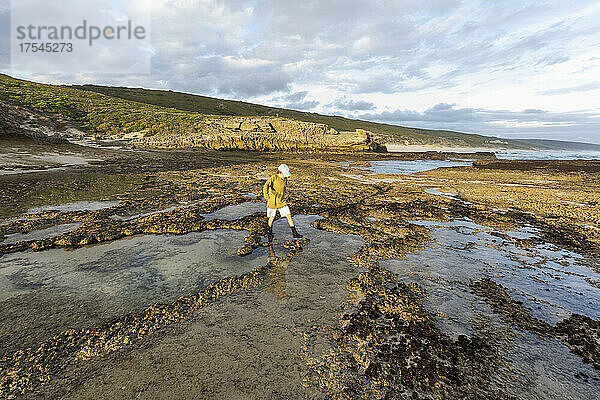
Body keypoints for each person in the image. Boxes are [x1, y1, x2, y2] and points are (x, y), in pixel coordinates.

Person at [263, 164, 302, 240]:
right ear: (280, 172)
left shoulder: (285, 179)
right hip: (273, 202)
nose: (286, 176)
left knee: (288, 215)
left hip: (281, 201)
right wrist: (266, 195)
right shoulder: (273, 178)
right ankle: (269, 232)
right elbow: (266, 185)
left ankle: (294, 233)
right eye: (285, 174)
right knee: (271, 218)